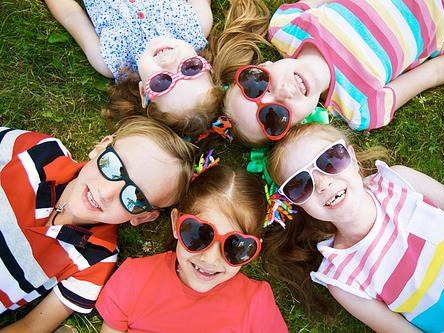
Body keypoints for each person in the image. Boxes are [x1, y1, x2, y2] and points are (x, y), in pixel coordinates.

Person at [260, 122, 444, 332]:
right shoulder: (342, 278)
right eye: (301, 184)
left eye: (329, 160)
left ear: (352, 159)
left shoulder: (401, 183)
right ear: (295, 204)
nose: (322, 183)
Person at [0, 116, 195, 332]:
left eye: (135, 197)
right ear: (101, 147)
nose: (106, 193)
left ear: (143, 217)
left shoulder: (96, 259)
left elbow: (32, 327)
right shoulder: (38, 152)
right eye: (113, 166)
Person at [222, 0, 444, 147]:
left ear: (265, 67)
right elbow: (437, 71)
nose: (282, 93)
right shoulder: (359, 108)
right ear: (298, 126)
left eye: (258, 85)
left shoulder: (286, 29)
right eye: (275, 117)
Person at [95, 164, 289, 332]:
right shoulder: (133, 280)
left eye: (235, 246)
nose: (210, 259)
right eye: (198, 234)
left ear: (253, 250)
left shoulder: (257, 304)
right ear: (175, 223)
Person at [44, 0, 271, 139]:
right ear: (206, 66)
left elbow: (71, 16)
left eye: (162, 82)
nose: (170, 63)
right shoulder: (197, 25)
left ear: (144, 92)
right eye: (190, 68)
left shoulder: (112, 61)